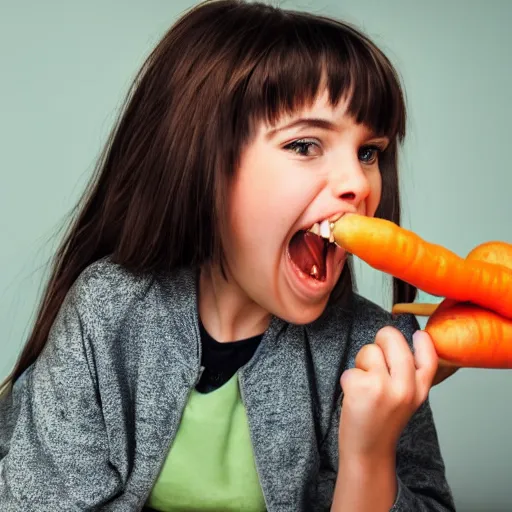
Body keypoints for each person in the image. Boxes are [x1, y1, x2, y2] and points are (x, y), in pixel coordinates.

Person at [0, 1, 457, 510]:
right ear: (203, 162)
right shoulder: (107, 312)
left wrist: (367, 458)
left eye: (369, 151)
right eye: (305, 145)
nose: (358, 183)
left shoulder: (377, 352)